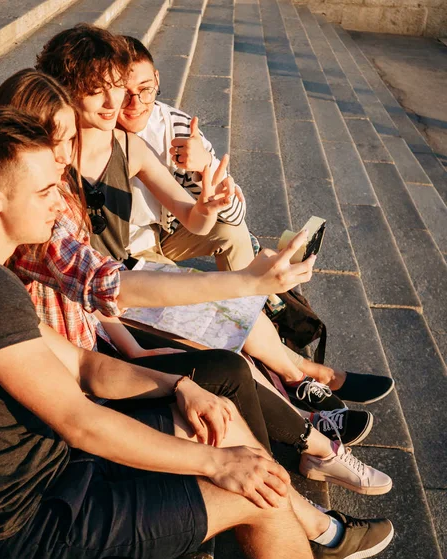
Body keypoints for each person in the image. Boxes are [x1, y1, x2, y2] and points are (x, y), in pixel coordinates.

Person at [0, 106, 397, 559]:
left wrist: (180, 386)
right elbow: (81, 422)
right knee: (252, 485)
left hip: (60, 473)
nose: (59, 203)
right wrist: (217, 466)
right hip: (35, 522)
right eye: (44, 190)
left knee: (224, 428)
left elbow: (85, 365)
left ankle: (317, 553)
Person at [0, 69, 392, 496]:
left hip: (102, 336)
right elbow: (105, 285)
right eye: (102, 92)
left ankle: (308, 420)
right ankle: (304, 456)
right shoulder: (39, 219)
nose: (123, 102)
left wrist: (206, 188)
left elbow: (93, 290)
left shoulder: (90, 169)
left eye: (139, 89)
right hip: (87, 365)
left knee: (229, 341)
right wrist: (245, 283)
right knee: (223, 361)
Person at [34, 26, 395, 412]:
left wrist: (206, 205)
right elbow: (83, 277)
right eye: (96, 90)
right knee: (230, 330)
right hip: (106, 293)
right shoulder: (53, 160)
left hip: (124, 273)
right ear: (66, 91)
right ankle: (304, 389)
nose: (115, 103)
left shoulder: (129, 144)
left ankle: (303, 381)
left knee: (237, 307)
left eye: (118, 87)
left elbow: (196, 219)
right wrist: (132, 345)